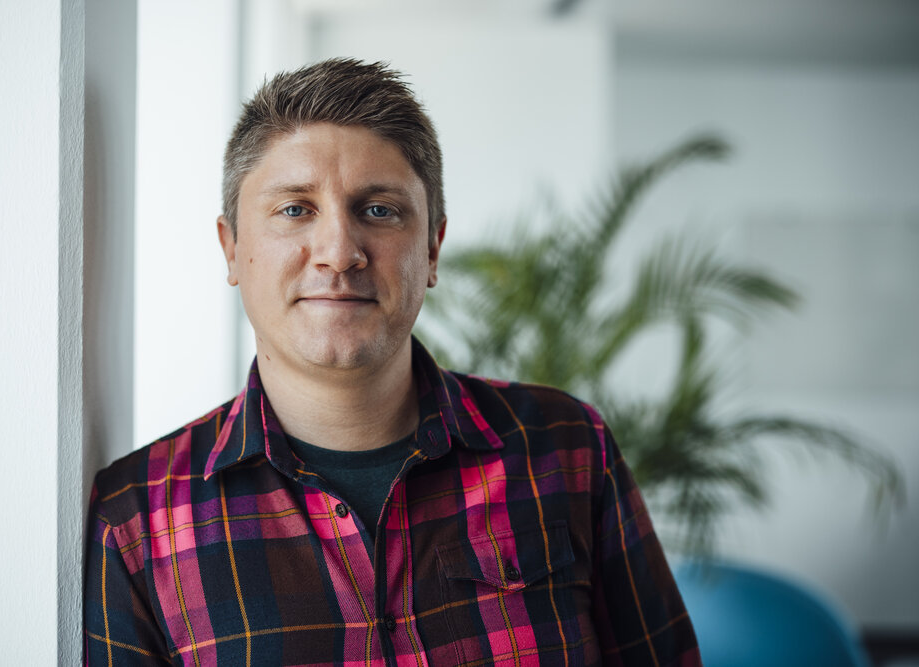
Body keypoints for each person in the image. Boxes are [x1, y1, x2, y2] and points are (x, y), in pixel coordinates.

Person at [83, 58, 701, 666]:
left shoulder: (568, 447)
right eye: (295, 209)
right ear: (232, 248)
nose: (339, 253)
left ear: (432, 248)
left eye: (378, 210)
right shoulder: (135, 523)